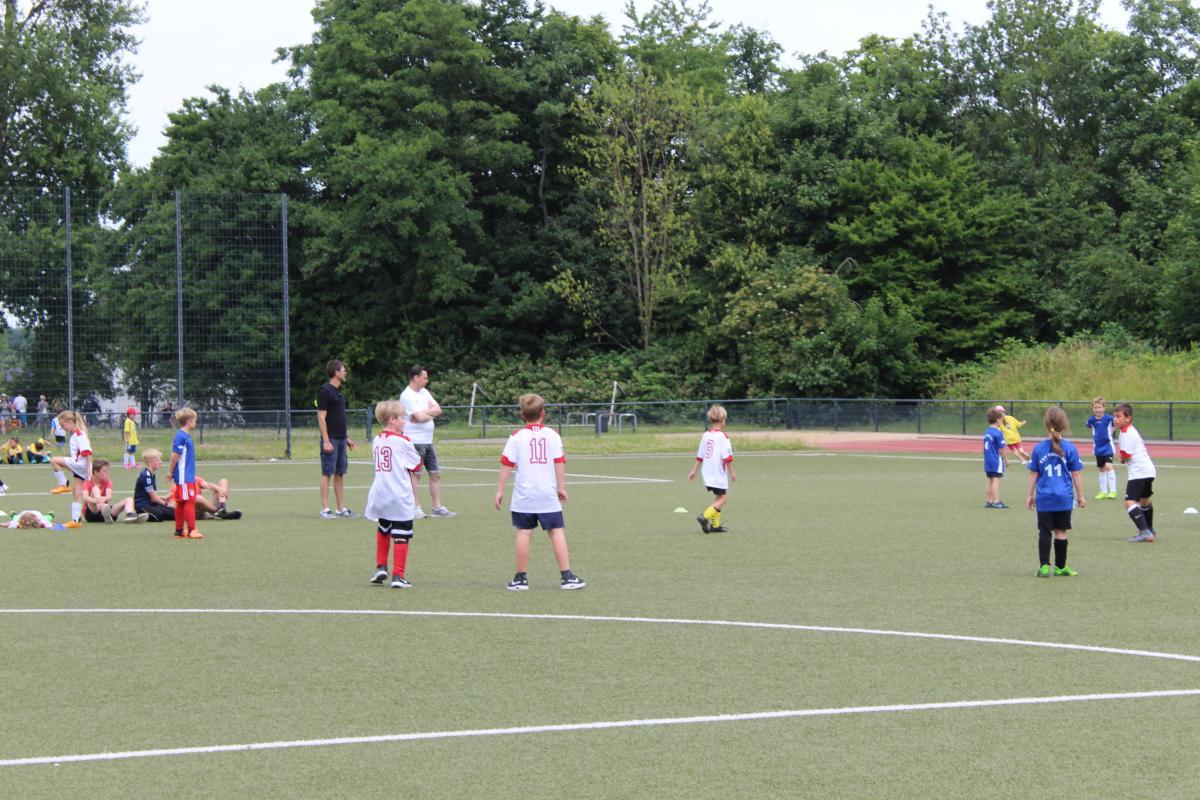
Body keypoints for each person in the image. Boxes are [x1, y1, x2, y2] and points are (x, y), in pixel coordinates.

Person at [494, 393, 585, 590]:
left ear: (522, 414)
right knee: (556, 531)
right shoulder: (553, 435)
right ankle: (567, 577)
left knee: (524, 532)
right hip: (547, 493)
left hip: (524, 495)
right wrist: (561, 487)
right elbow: (559, 461)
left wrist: (500, 490)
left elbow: (506, 464)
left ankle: (521, 579)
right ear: (543, 413)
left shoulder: (516, 437)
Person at [364, 400, 424, 589]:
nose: (404, 421)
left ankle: (380, 567)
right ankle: (399, 575)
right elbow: (417, 464)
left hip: (380, 493)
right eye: (401, 417)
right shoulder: (403, 441)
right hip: (399, 494)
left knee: (384, 528)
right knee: (402, 534)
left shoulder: (377, 440)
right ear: (392, 419)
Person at [1025, 407, 1085, 577]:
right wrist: (1080, 496)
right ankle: (1060, 567)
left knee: (1045, 531)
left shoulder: (1038, 449)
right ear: (1064, 425)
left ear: (1046, 425)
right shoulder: (1070, 448)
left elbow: (1034, 474)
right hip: (1064, 498)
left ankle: (1044, 567)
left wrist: (1030, 495)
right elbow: (1076, 474)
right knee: (1061, 531)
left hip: (1044, 498)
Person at [400, 364, 455, 519]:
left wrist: (424, 413)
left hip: (428, 441)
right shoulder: (406, 395)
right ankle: (415, 508)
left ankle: (436, 508)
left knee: (435, 474)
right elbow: (420, 417)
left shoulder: (424, 392)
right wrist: (425, 414)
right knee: (415, 475)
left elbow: (438, 410)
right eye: (424, 378)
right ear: (416, 378)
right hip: (414, 441)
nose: (427, 381)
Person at [317, 359, 357, 519]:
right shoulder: (324, 391)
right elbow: (321, 417)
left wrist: (346, 437)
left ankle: (341, 509)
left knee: (340, 473)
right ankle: (325, 509)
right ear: (336, 372)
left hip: (340, 439)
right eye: (343, 369)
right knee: (327, 473)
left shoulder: (339, 392)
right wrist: (326, 440)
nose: (345, 372)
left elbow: (337, 418)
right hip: (331, 440)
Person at [1113, 403, 1158, 543]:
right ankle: (1150, 529)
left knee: (1129, 502)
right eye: (1114, 416)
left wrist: (1121, 459)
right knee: (1144, 500)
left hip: (1139, 472)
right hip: (1149, 471)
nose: (1115, 419)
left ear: (1127, 418)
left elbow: (1126, 455)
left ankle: (1145, 533)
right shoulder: (1131, 430)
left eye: (1118, 416)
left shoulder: (1126, 433)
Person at [688, 404, 736, 532]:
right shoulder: (723, 436)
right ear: (723, 420)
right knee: (723, 499)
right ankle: (704, 516)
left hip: (707, 472)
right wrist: (732, 472)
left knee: (718, 497)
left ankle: (715, 526)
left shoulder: (706, 435)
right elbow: (727, 458)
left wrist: (694, 471)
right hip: (717, 472)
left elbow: (700, 456)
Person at [47, 410, 92, 528]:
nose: (62, 428)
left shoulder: (79, 435)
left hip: (80, 465)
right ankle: (76, 521)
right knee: (76, 494)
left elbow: (87, 453)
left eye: (63, 425)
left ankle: (63, 484)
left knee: (54, 460)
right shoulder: (76, 434)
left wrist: (88, 470)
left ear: (70, 422)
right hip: (80, 466)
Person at [169, 408, 203, 539]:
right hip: (184, 476)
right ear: (189, 421)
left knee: (182, 502)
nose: (196, 423)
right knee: (189, 501)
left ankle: (179, 530)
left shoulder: (186, 436)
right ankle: (191, 530)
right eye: (195, 420)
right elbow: (175, 456)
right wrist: (171, 472)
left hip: (187, 475)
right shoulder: (181, 436)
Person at [81, 459, 148, 523]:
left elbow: (109, 497)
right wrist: (97, 501)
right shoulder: (87, 482)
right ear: (96, 472)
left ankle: (130, 515)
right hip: (92, 513)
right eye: (105, 471)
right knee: (95, 489)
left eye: (108, 470)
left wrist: (103, 499)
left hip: (106, 511)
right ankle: (104, 508)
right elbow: (85, 497)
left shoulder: (108, 481)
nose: (108, 473)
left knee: (129, 499)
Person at [1085, 396, 1118, 500]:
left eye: (1099, 407)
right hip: (1097, 448)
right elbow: (1088, 425)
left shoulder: (1109, 419)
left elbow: (1116, 424)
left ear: (1104, 408)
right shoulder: (1091, 420)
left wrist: (1112, 431)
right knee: (1101, 469)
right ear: (1093, 409)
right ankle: (1103, 491)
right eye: (1095, 407)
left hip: (1108, 447)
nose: (1097, 409)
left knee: (1109, 466)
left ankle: (1113, 491)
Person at [133, 449, 176, 523]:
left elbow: (151, 495)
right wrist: (167, 504)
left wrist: (163, 498)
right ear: (150, 463)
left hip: (151, 504)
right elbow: (153, 498)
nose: (160, 462)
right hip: (142, 506)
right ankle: (139, 515)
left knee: (174, 513)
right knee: (159, 516)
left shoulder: (152, 474)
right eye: (157, 460)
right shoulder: (146, 476)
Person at [983, 407, 1009, 508]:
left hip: (988, 460)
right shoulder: (998, 433)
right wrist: (1006, 460)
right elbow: (1001, 449)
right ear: (998, 420)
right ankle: (996, 501)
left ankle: (989, 501)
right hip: (996, 460)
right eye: (1001, 419)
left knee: (989, 480)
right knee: (996, 480)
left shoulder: (987, 432)